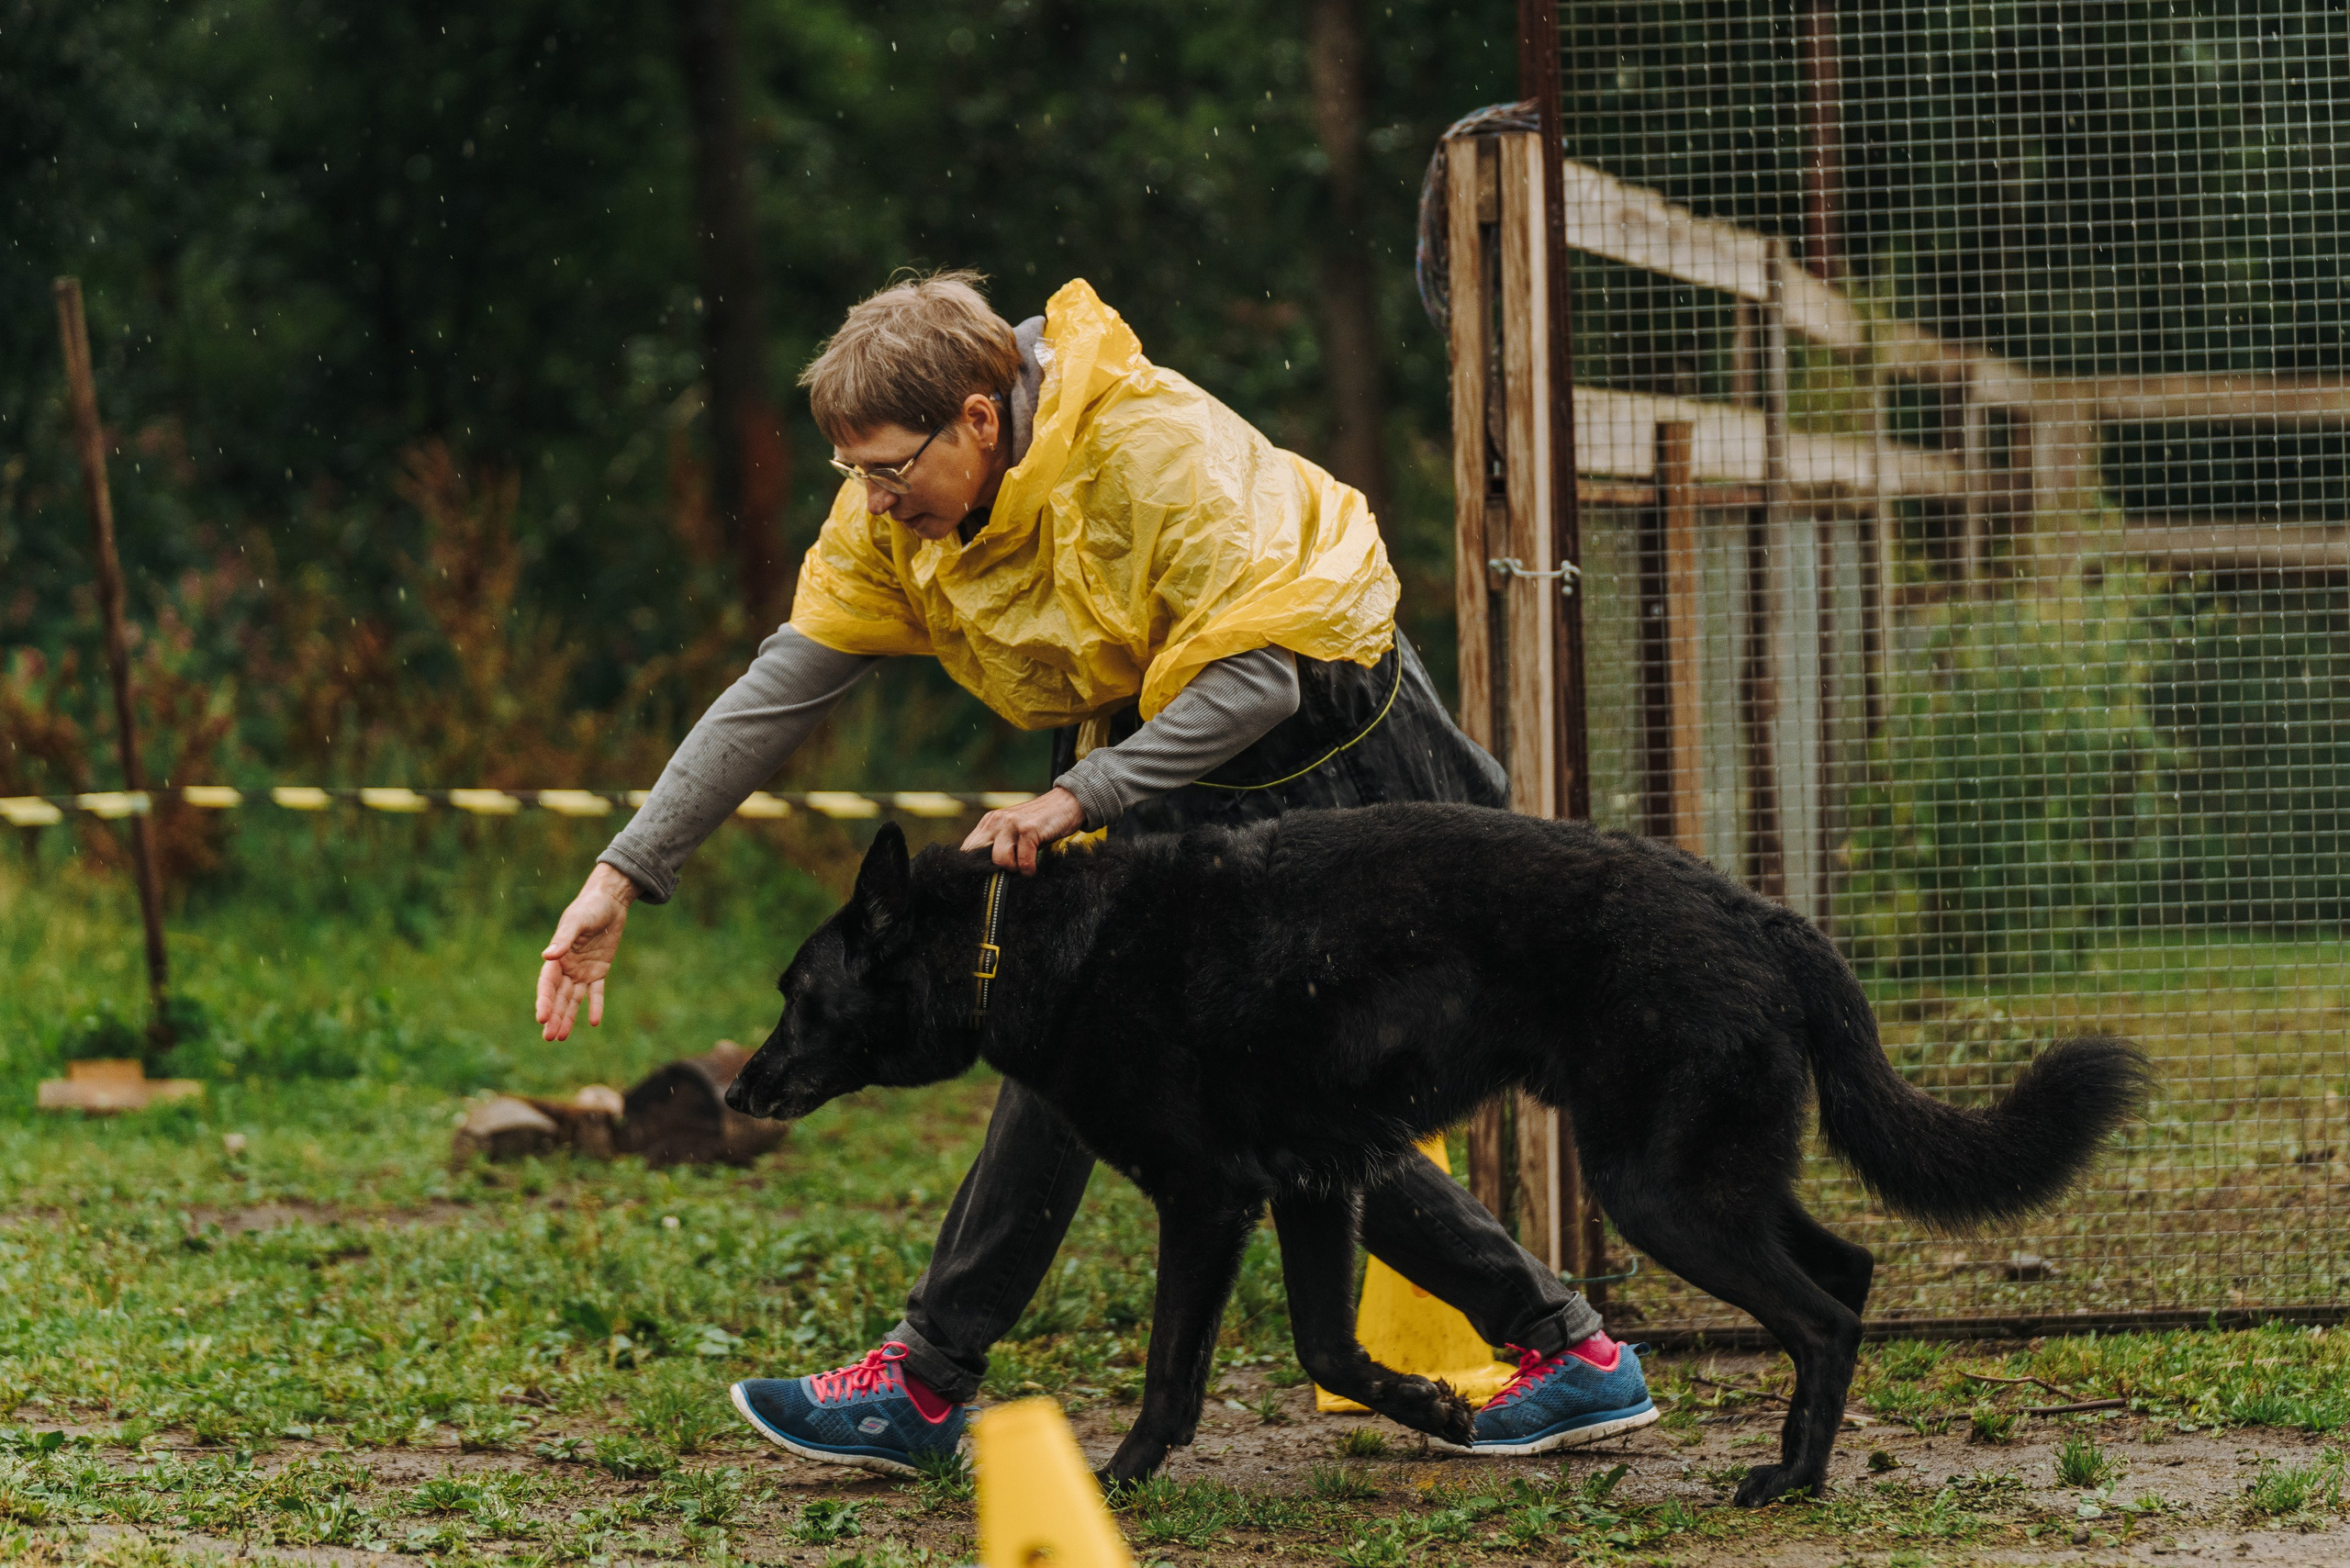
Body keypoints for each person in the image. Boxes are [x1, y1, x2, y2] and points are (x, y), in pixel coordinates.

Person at [534, 272, 1653, 1474]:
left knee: (1119, 1041)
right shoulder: (899, 509)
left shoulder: (1149, 450)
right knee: (1215, 1083)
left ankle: (922, 1379)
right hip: (1156, 750)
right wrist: (624, 872)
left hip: (1328, 740)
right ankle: (1568, 1351)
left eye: (889, 469)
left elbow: (1257, 681)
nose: (871, 500)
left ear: (977, 417)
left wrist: (1083, 793)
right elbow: (783, 684)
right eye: (851, 472)